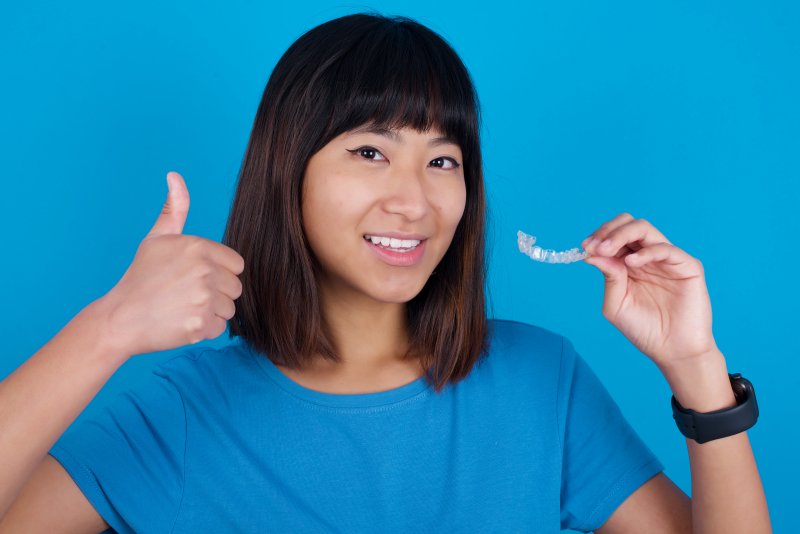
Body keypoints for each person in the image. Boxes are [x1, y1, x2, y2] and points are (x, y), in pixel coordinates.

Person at [0, 12, 770, 533]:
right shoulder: (174, 417)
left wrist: (695, 367)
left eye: (444, 160)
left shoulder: (543, 383)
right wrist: (106, 331)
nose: (416, 201)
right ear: (288, 172)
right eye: (370, 152)